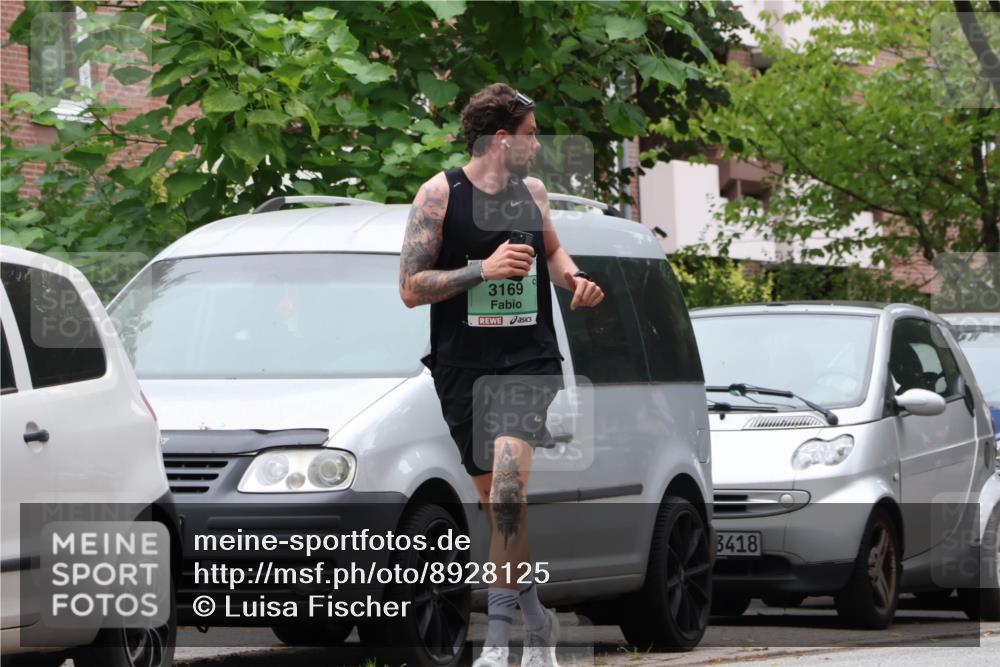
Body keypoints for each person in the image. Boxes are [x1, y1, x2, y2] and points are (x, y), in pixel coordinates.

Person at [399, 83, 604, 667]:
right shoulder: (439, 195)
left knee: (510, 493)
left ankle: (497, 643)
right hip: (462, 366)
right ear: (500, 139)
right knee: (498, 509)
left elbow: (555, 252)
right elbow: (411, 289)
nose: (538, 145)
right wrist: (480, 270)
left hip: (528, 361)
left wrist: (575, 279)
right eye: (531, 134)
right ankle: (537, 619)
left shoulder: (532, 193)